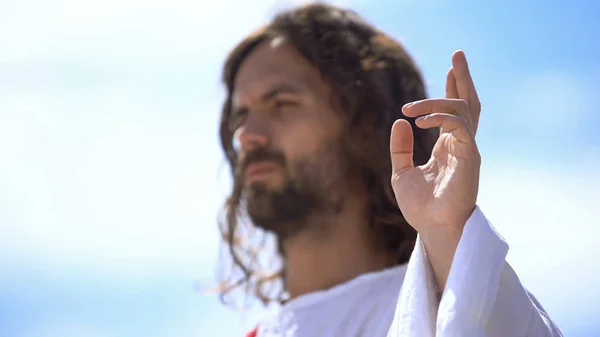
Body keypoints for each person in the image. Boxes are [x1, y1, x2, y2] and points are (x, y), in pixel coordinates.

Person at [215, 3, 563, 337]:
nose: (247, 135)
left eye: (282, 104)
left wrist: (446, 232)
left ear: (366, 124)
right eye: (240, 116)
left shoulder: (437, 306)